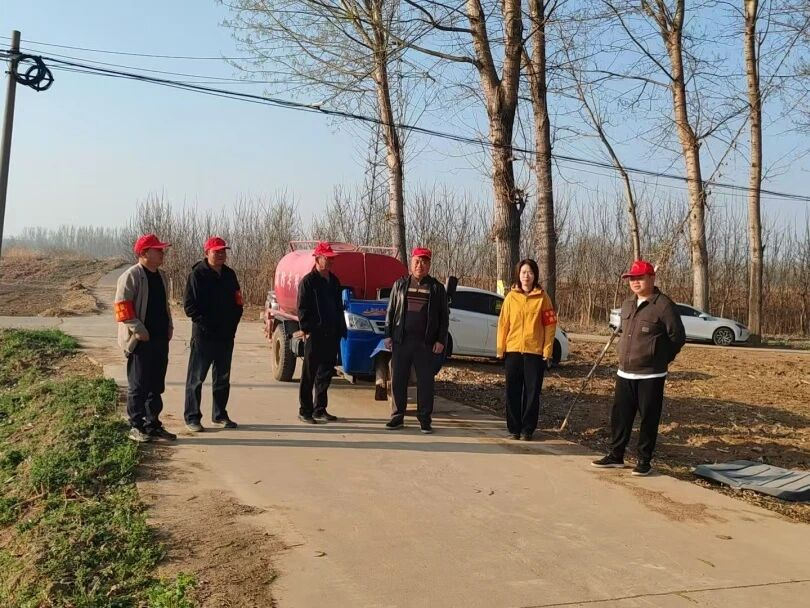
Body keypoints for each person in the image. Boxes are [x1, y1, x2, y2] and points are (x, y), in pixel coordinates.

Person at [592, 259, 686, 476]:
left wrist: (660, 358)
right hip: (624, 372)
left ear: (652, 278)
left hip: (650, 375)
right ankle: (616, 455)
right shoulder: (628, 304)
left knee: (648, 418)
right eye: (631, 279)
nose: (635, 282)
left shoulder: (663, 305)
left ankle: (644, 460)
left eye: (639, 278)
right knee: (621, 416)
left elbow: (678, 337)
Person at [114, 233, 176, 443]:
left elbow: (165, 306)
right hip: (140, 340)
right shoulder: (131, 276)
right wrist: (139, 329)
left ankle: (152, 424)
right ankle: (135, 425)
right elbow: (122, 308)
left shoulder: (162, 276)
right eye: (158, 250)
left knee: (156, 385)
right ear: (144, 253)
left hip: (160, 338)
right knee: (139, 384)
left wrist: (169, 325)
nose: (162, 253)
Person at [384, 247, 449, 434]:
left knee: (425, 382)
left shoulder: (436, 288)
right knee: (398, 379)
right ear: (411, 263)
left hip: (425, 344)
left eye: (424, 262)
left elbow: (444, 317)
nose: (420, 265)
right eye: (417, 261)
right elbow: (390, 311)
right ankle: (397, 416)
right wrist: (388, 335)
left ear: (429, 265)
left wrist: (441, 340)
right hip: (401, 340)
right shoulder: (400, 285)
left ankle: (425, 419)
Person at [183, 236, 244, 432]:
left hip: (225, 336)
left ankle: (219, 414)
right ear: (207, 253)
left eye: (223, 251)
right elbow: (190, 307)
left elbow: (238, 303)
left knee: (222, 378)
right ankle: (192, 417)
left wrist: (232, 326)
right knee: (196, 379)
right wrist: (207, 325)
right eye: (216, 252)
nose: (220, 255)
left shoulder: (229, 275)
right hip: (204, 337)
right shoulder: (197, 275)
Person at [496, 259, 557, 441]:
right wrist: (500, 349)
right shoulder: (510, 297)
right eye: (523, 272)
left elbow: (550, 326)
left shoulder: (543, 298)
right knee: (512, 391)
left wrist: (547, 351)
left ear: (535, 275)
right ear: (518, 274)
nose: (526, 276)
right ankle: (514, 429)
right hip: (513, 351)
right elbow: (503, 324)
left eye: (530, 272)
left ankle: (527, 430)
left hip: (534, 353)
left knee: (532, 393)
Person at [296, 242, 347, 423]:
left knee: (325, 374)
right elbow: (302, 308)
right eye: (327, 258)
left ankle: (320, 408)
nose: (331, 261)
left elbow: (339, 307)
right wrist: (306, 329)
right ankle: (305, 410)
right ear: (317, 259)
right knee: (309, 374)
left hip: (331, 334)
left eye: (332, 258)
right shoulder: (308, 282)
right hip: (315, 335)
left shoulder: (334, 281)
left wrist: (341, 329)